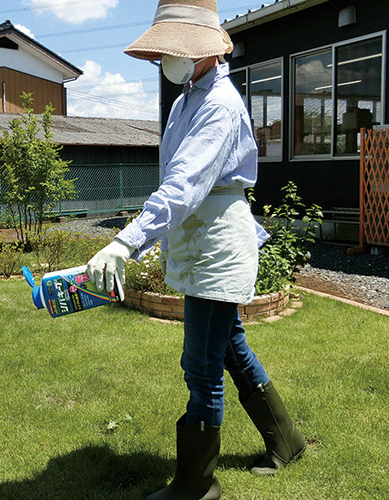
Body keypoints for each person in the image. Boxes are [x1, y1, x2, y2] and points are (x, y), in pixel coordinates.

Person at [87, 1, 306, 499]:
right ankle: (287, 441)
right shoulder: (188, 99)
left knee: (201, 366)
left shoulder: (218, 105)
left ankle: (196, 486)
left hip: (216, 246)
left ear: (202, 48)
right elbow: (179, 183)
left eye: (175, 48)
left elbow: (183, 185)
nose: (167, 58)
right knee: (229, 347)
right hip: (200, 239)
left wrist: (127, 240)